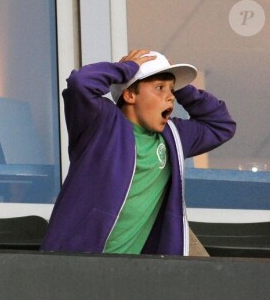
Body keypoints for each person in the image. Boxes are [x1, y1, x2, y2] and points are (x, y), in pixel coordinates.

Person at [41, 50, 236, 255]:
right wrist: (127, 69)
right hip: (73, 262)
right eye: (159, 88)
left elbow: (221, 125)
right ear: (130, 94)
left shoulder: (174, 136)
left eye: (172, 90)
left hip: (131, 271)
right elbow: (81, 83)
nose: (170, 97)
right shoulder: (101, 124)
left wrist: (182, 88)